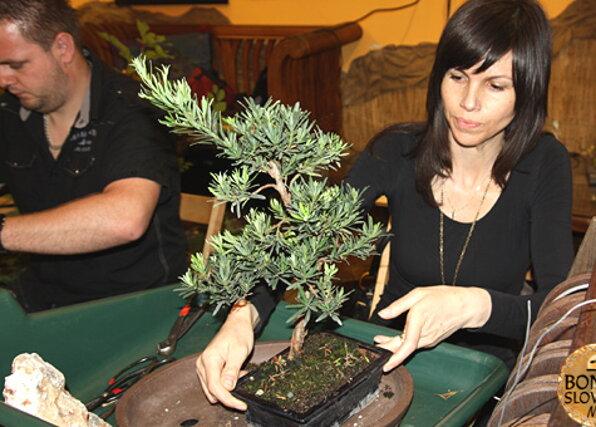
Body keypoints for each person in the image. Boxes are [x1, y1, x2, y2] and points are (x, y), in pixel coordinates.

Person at [195, 0, 574, 412]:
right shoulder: (396, 152)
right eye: (457, 76)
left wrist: (472, 304)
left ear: (529, 90)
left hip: (482, 378)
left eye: (495, 86)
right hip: (383, 360)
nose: (468, 102)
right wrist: (243, 316)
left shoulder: (544, 165)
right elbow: (305, 240)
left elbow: (562, 305)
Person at [0, 0, 188, 312]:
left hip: (138, 306)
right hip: (44, 299)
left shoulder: (133, 109)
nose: (3, 80)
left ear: (63, 48)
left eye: (16, 65)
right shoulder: (11, 112)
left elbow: (125, 219)